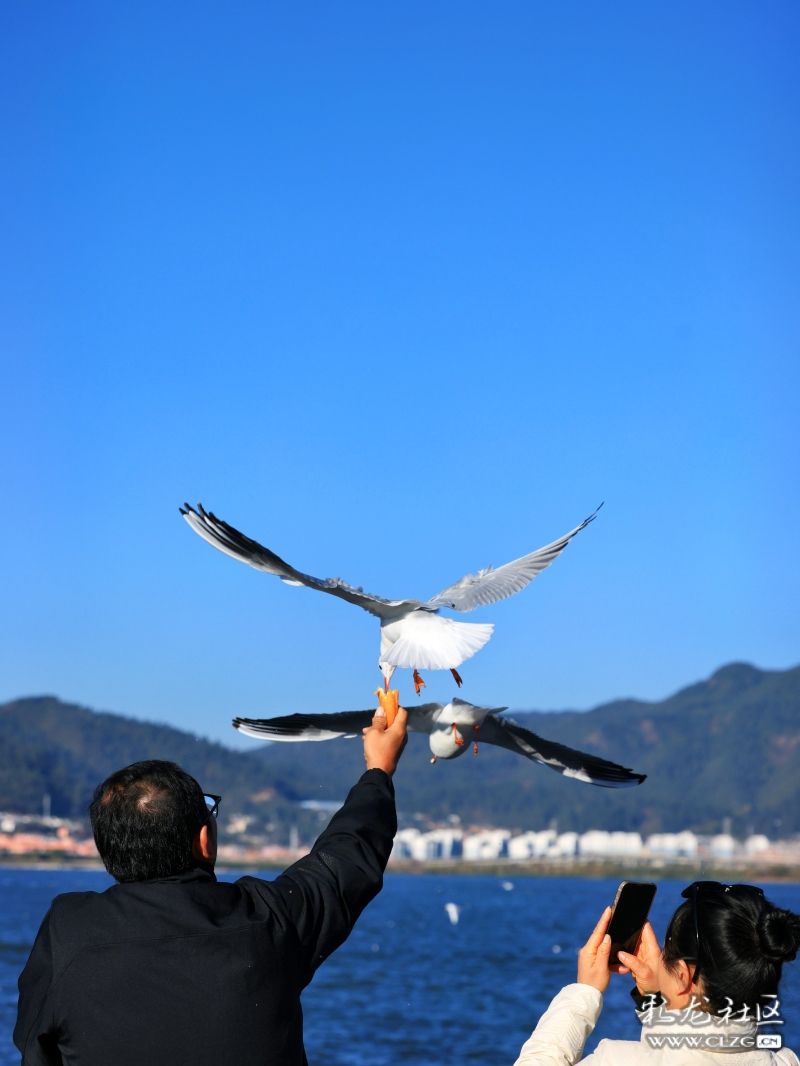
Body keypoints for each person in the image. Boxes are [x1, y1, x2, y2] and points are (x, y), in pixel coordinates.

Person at [15, 704, 408, 1066]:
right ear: (203, 840)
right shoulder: (267, 920)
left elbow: (35, 1046)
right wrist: (378, 771)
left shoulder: (68, 930)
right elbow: (346, 860)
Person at [514, 882, 800, 1064]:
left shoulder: (615, 1061)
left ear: (685, 977)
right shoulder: (787, 1061)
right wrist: (655, 999)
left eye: (668, 951)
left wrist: (584, 991)